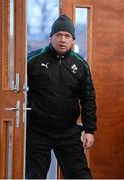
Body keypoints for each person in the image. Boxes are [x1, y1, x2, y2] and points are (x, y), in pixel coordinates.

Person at [26, 14, 97, 179]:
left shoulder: (81, 64)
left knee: (81, 176)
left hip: (68, 131)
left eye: (67, 36)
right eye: (58, 35)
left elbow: (88, 98)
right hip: (37, 131)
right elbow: (17, 91)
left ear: (73, 40)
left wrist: (89, 129)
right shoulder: (32, 61)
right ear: (51, 37)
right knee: (34, 176)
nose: (62, 39)